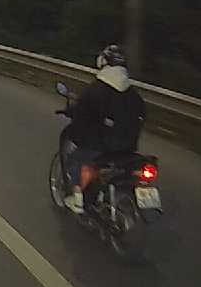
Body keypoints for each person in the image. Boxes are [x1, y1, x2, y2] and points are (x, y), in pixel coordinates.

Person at [61, 44, 145, 213]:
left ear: (103, 63)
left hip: (100, 145)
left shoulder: (96, 90)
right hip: (127, 147)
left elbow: (81, 112)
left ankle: (77, 198)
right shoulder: (134, 95)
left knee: (76, 160)